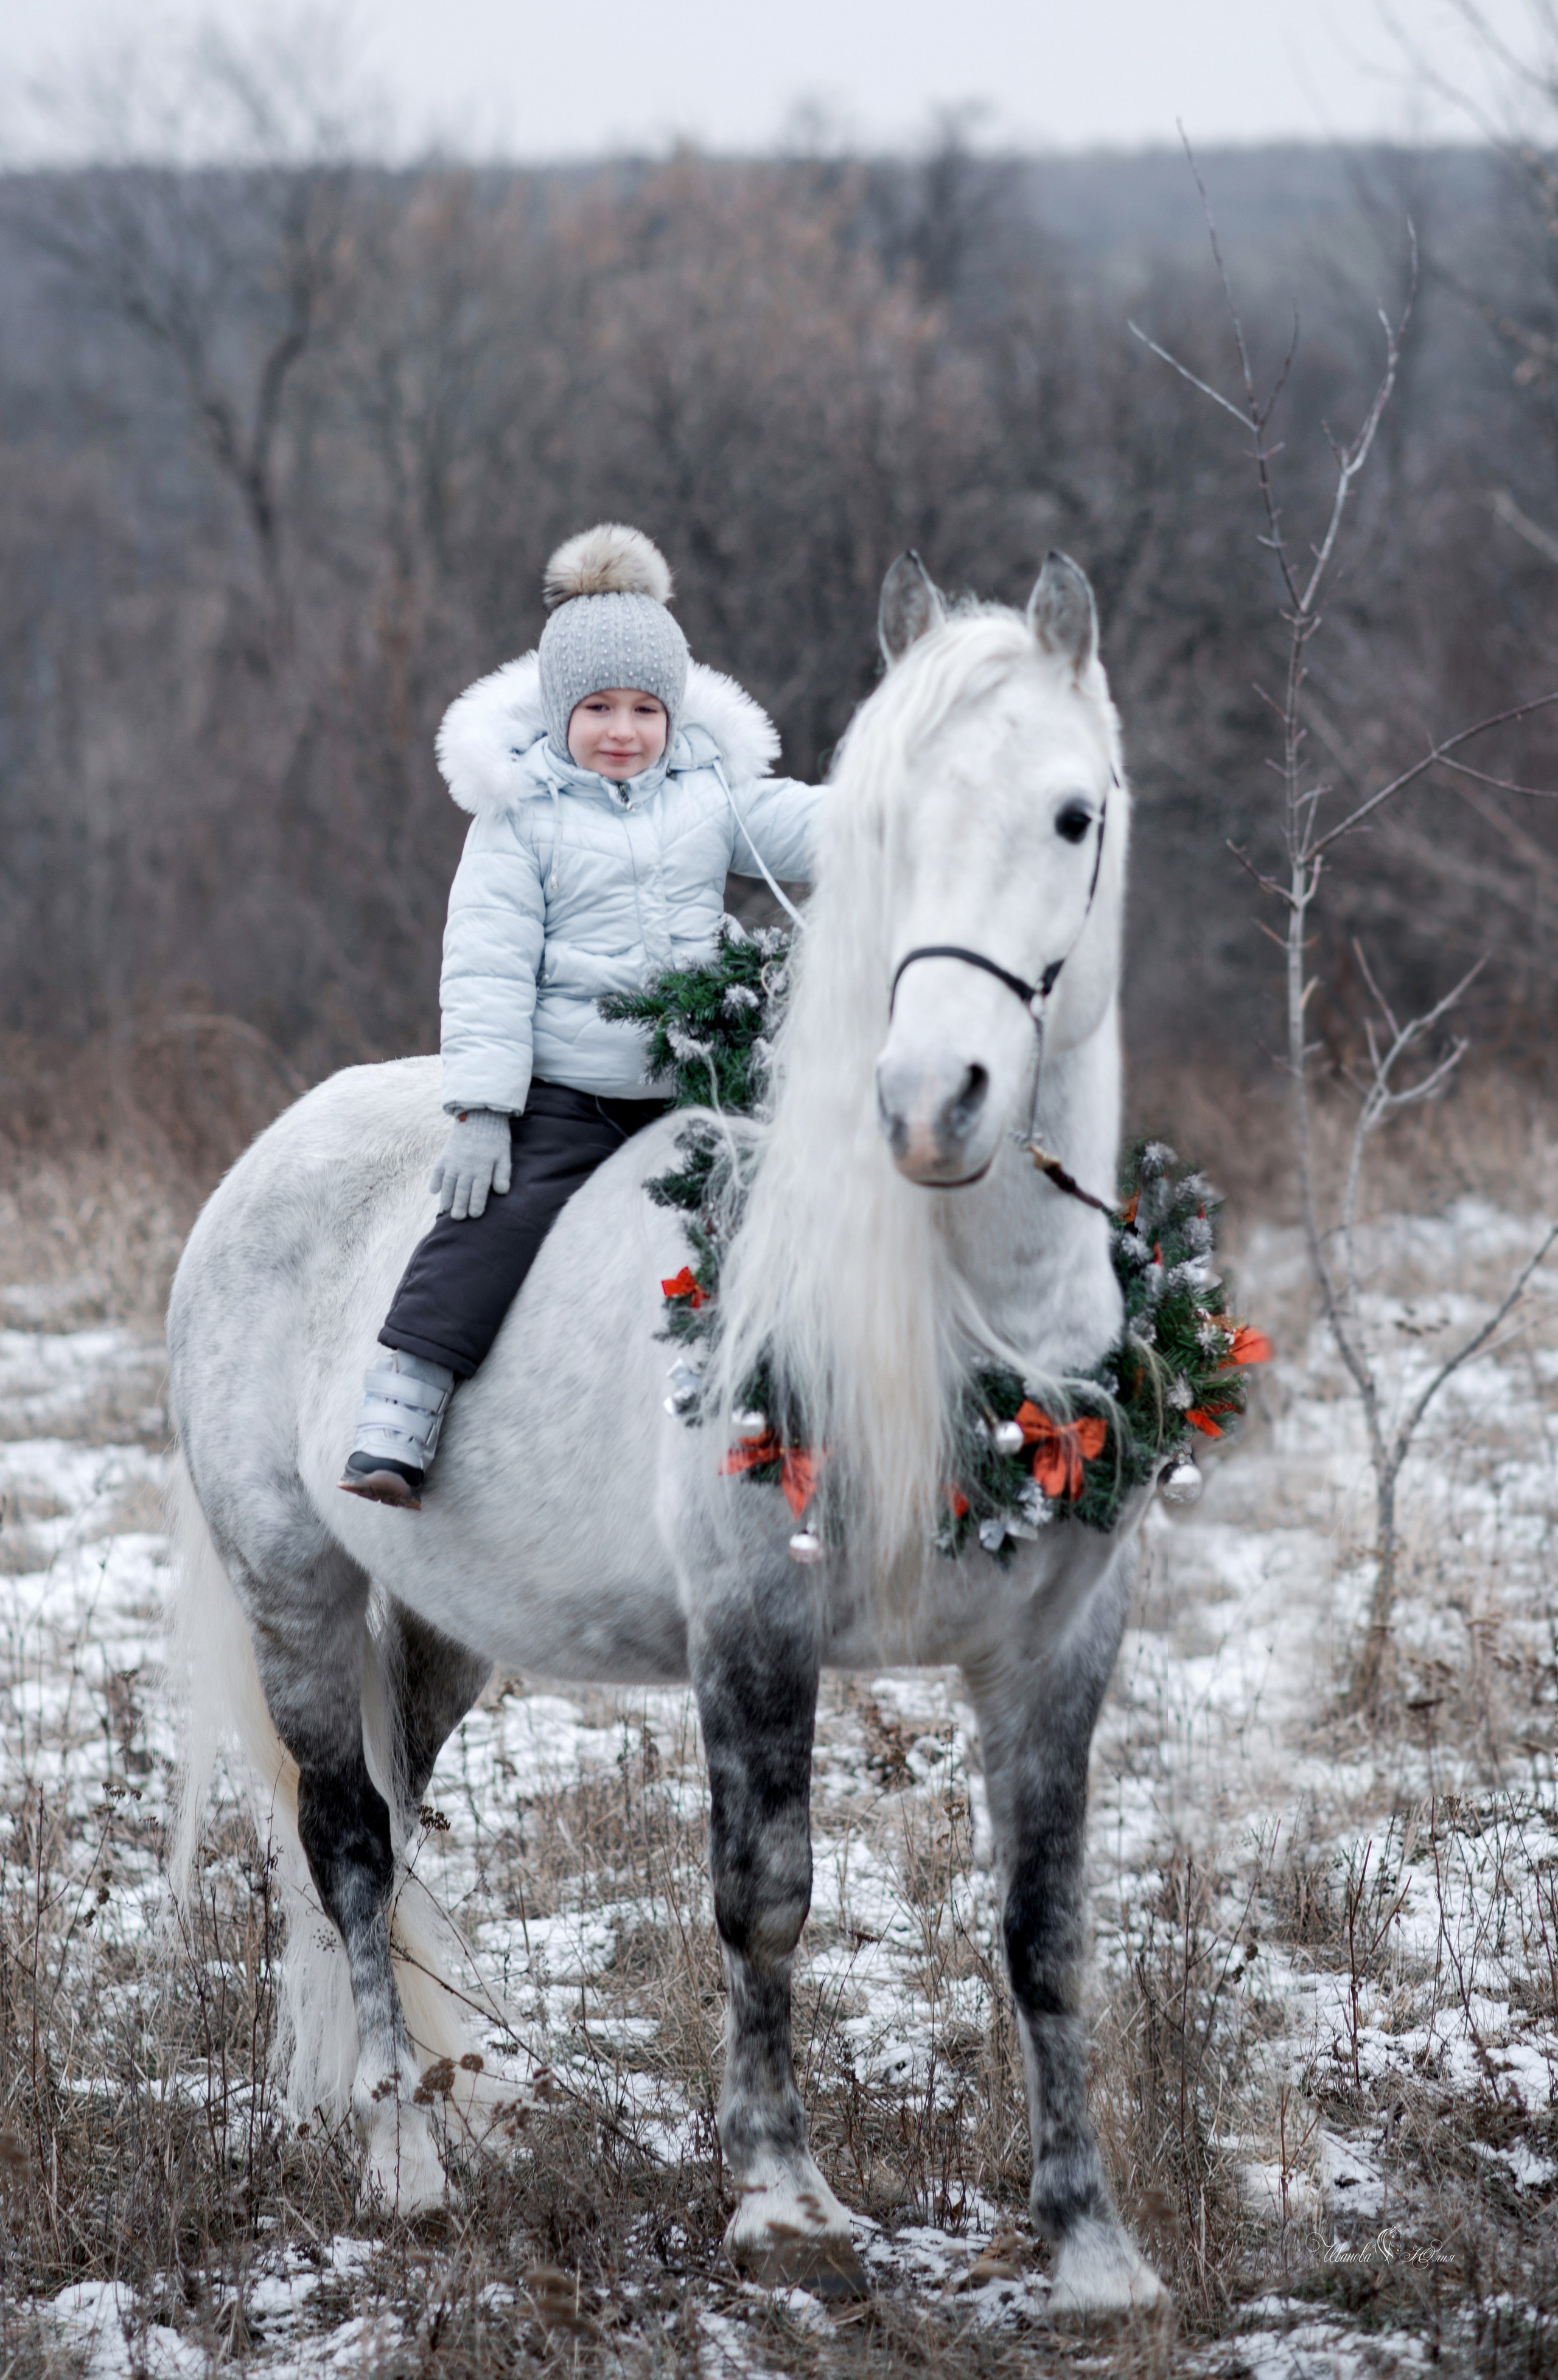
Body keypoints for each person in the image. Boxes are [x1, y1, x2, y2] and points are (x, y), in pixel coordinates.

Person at [338, 523, 822, 1508]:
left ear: (674, 713)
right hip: (574, 1093)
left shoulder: (711, 795)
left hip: (700, 1083)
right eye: (598, 708)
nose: (622, 731)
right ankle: (403, 1408)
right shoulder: (523, 816)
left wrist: (907, 810)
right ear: (561, 711)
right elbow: (487, 964)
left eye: (645, 708)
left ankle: (805, 1414)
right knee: (489, 1224)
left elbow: (812, 827)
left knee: (796, 1207)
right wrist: (483, 1109)